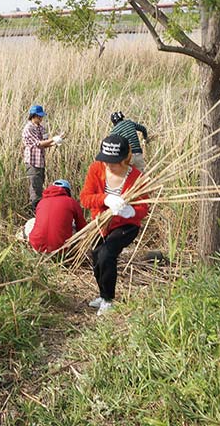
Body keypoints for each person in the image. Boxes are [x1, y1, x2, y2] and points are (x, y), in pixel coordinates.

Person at [80, 135, 149, 316]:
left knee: (106, 254)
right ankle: (103, 295)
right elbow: (85, 199)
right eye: (106, 160)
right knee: (96, 255)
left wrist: (131, 211)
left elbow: (143, 207)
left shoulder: (136, 177)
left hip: (126, 225)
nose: (109, 165)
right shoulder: (96, 169)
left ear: (125, 158)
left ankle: (109, 300)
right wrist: (106, 199)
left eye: (114, 162)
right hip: (101, 222)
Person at [22, 105, 64, 211]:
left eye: (41, 116)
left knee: (40, 185)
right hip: (32, 162)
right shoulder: (28, 128)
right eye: (39, 116)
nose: (41, 118)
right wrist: (53, 139)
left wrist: (55, 142)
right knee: (35, 187)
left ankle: (39, 209)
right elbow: (38, 143)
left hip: (40, 161)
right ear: (33, 116)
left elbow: (45, 144)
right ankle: (35, 210)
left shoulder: (41, 128)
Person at [26, 179, 87, 253]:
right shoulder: (71, 202)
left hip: (38, 247)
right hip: (61, 250)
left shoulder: (41, 202)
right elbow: (82, 227)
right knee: (73, 226)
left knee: (31, 222)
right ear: (68, 191)